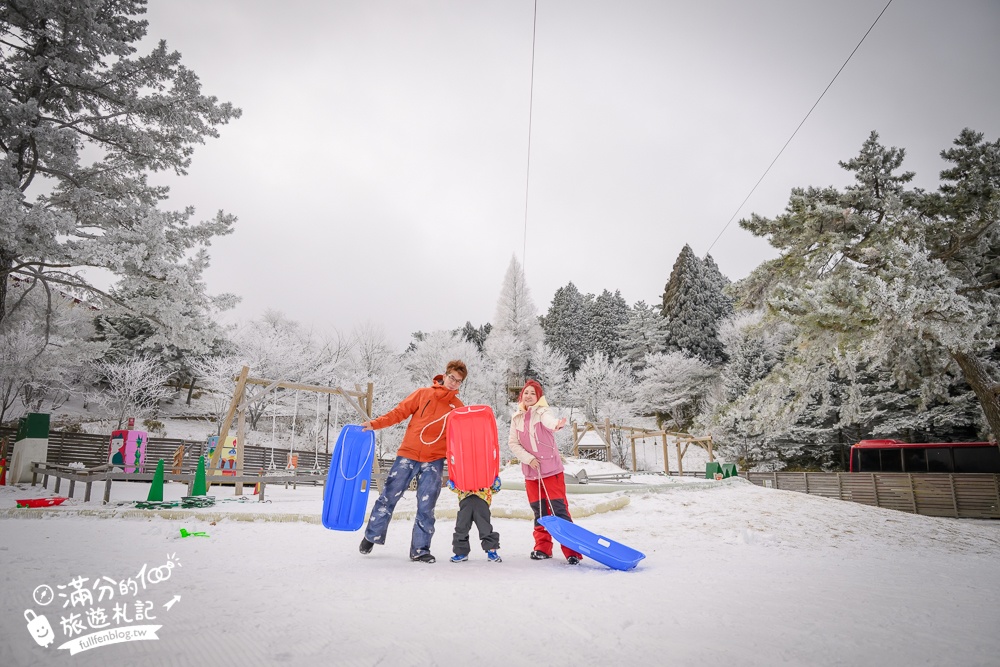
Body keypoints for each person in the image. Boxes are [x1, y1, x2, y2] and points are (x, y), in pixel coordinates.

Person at [358, 360, 467, 563]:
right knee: (389, 496)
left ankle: (420, 549)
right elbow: (399, 413)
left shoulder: (457, 408)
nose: (453, 383)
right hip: (408, 454)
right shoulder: (423, 393)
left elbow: (458, 440)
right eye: (452, 377)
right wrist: (374, 424)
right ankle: (371, 536)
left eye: (458, 381)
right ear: (444, 375)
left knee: (426, 506)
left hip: (433, 460)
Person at [506, 379, 584, 565]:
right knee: (539, 511)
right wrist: (528, 459)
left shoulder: (543, 412)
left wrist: (557, 424)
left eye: (533, 393)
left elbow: (549, 422)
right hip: (531, 472)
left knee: (559, 510)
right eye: (526, 392)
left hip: (551, 470)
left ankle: (571, 550)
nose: (529, 396)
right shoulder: (516, 417)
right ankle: (542, 548)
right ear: (521, 396)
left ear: (539, 397)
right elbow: (513, 443)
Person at [448, 475, 502, 563]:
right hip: (465, 499)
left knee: (485, 527)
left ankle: (491, 550)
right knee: (461, 526)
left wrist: (496, 486)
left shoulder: (485, 469)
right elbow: (457, 486)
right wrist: (452, 485)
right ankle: (461, 552)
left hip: (482, 499)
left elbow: (493, 488)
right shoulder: (463, 469)